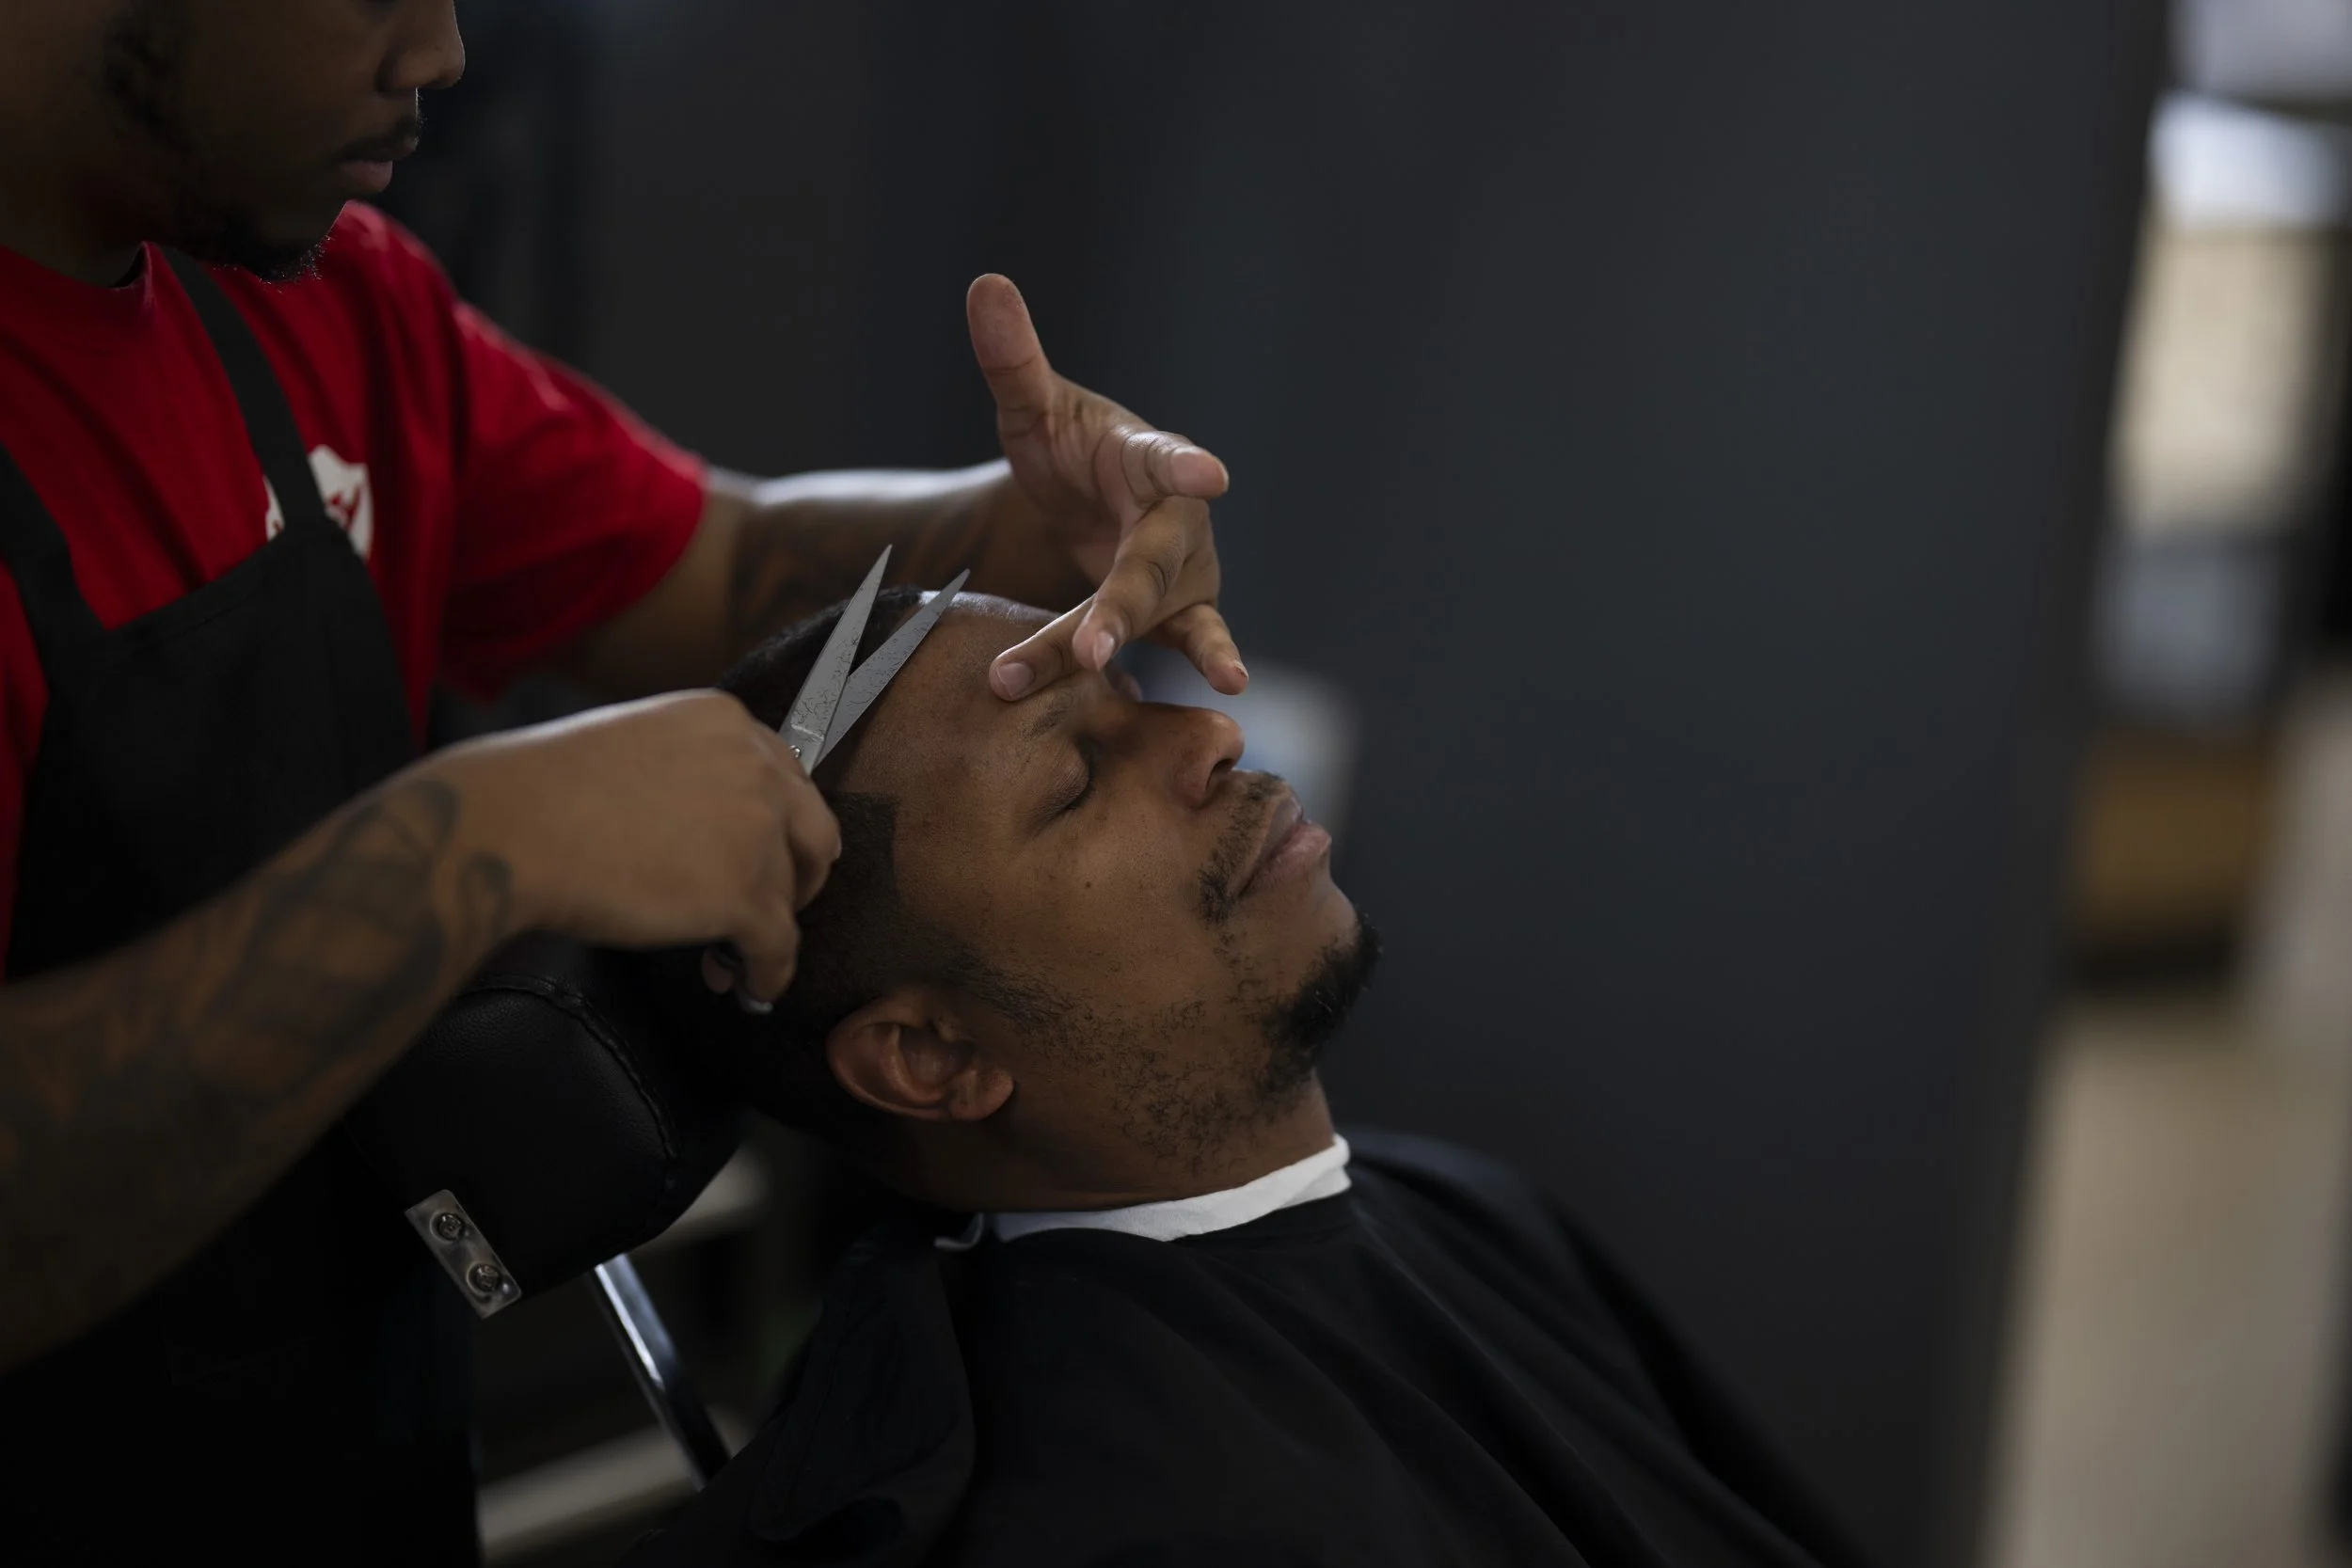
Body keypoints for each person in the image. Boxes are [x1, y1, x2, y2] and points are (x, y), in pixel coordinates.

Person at [0, 2, 1248, 1560]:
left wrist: (1029, 519)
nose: (443, 54)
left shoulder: (321, 302)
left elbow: (722, 567)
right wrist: (463, 851)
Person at [626, 592, 1871, 1568]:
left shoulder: (1467, 1207)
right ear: (934, 1057)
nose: (1213, 732)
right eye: (1072, 784)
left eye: (1130, 690)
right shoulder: (1126, 1522)